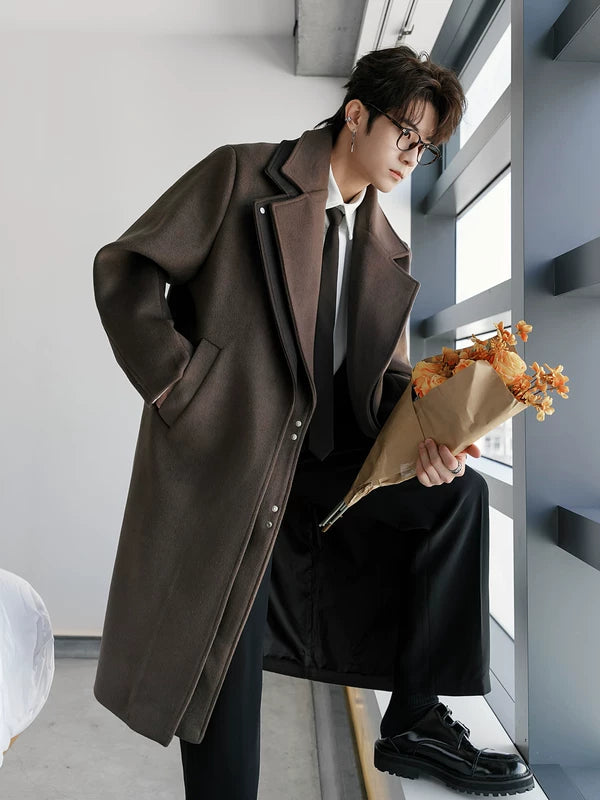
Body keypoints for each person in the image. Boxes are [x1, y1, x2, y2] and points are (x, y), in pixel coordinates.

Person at [92, 45, 534, 798]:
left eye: (426, 146)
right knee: (222, 704)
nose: (413, 155)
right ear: (356, 114)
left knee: (456, 497)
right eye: (406, 133)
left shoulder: (385, 247)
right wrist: (182, 387)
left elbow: (383, 379)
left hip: (323, 471)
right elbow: (127, 267)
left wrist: (434, 437)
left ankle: (415, 722)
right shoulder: (242, 177)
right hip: (236, 469)